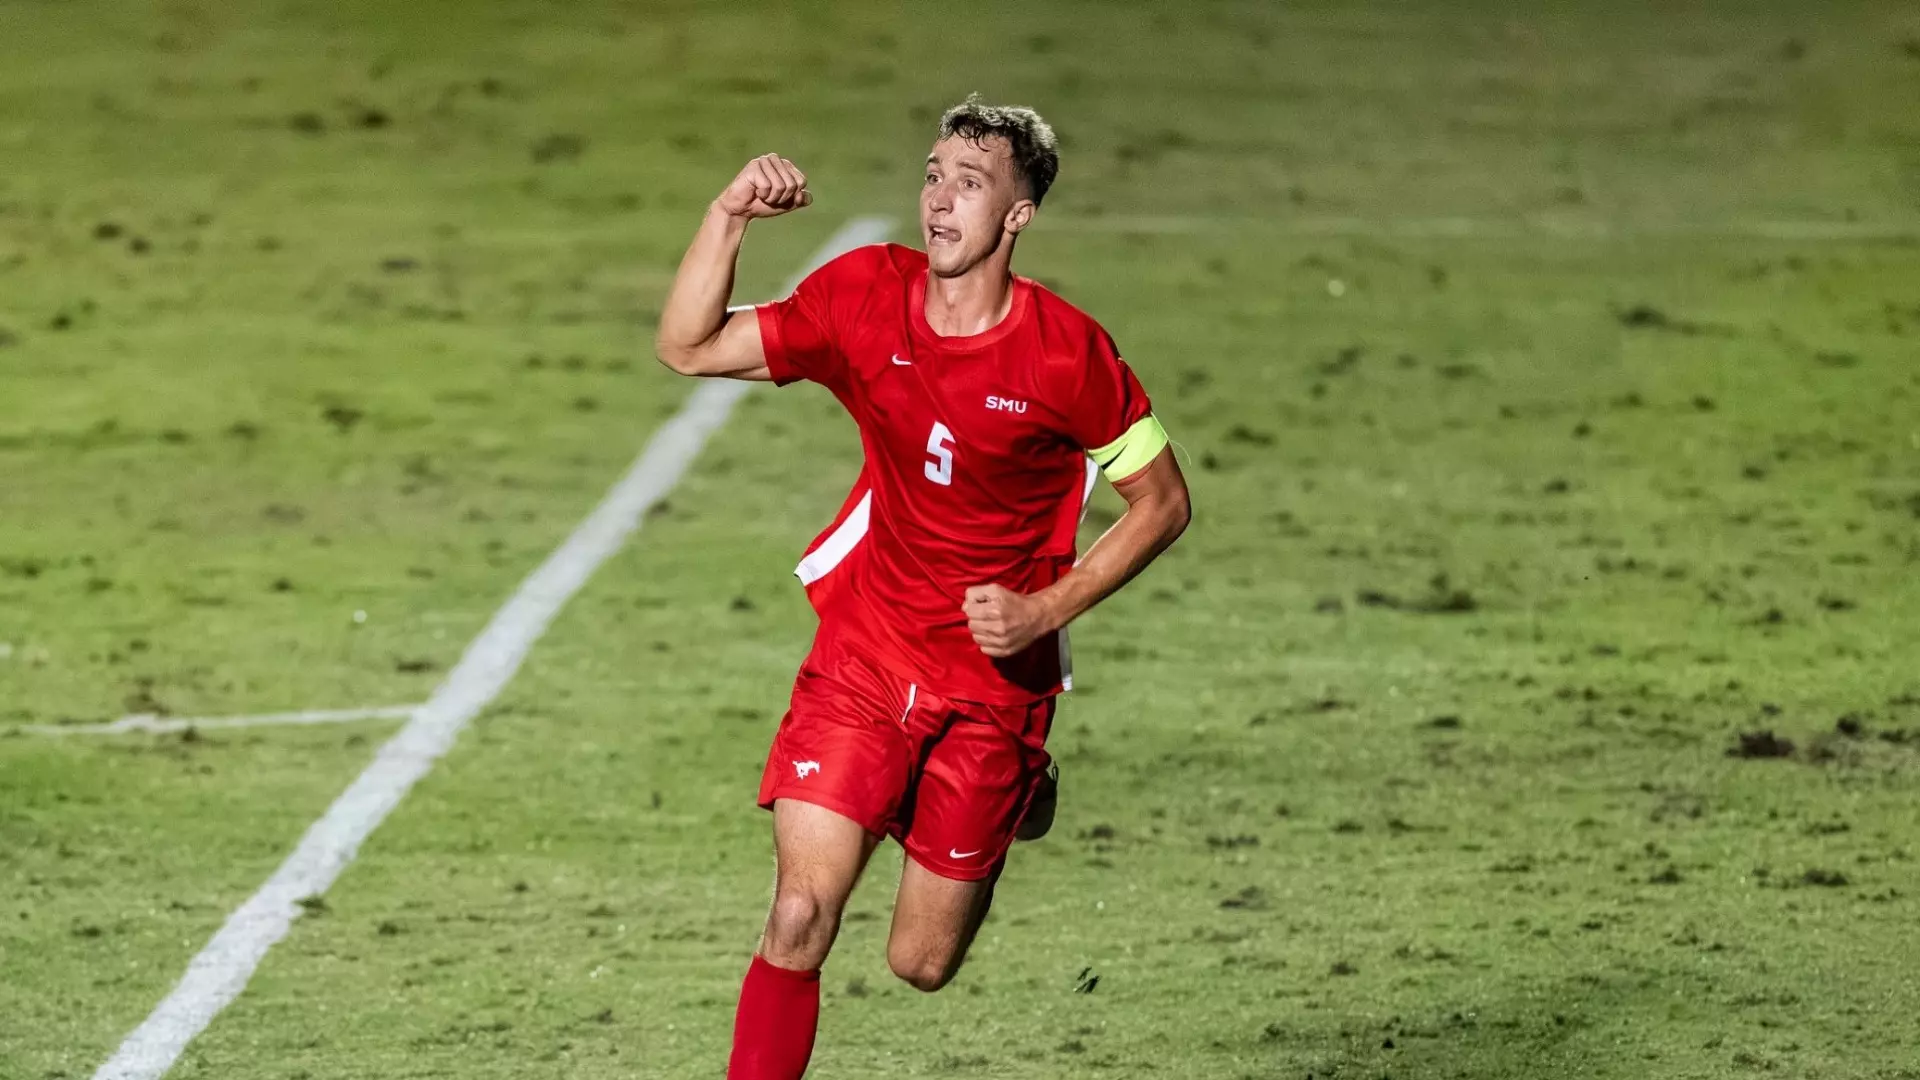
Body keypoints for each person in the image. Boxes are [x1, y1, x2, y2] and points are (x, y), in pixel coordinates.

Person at [654, 95, 1191, 1080]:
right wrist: (727, 216)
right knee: (799, 913)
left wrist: (1045, 610)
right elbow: (689, 346)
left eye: (970, 183)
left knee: (920, 963)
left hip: (992, 685)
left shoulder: (1070, 356)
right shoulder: (864, 295)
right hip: (866, 650)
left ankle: (1019, 789)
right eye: (934, 175)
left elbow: (1162, 502)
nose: (939, 202)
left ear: (1017, 216)